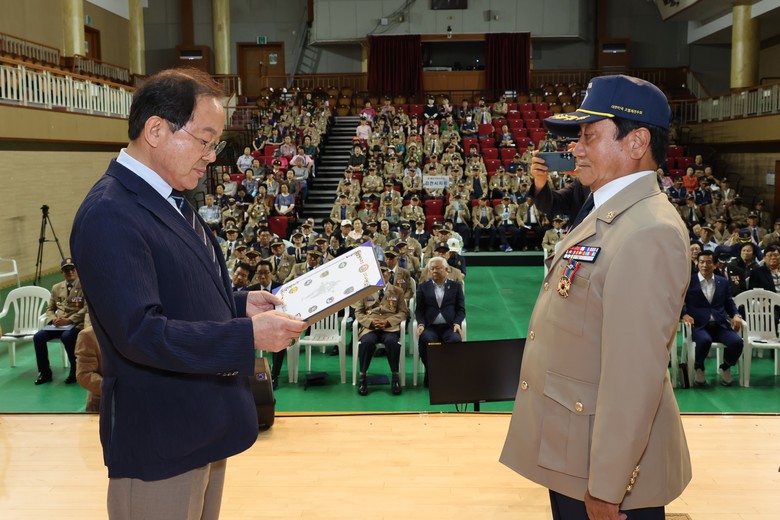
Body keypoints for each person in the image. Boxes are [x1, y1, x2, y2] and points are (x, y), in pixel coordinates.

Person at [70, 68, 307, 519]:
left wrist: (239, 304)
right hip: (161, 437)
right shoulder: (110, 213)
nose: (212, 156)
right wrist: (246, 336)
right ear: (156, 130)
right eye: (205, 140)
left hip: (200, 425)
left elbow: (177, 291)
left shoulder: (168, 198)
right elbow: (140, 332)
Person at [500, 75, 692, 519]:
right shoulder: (609, 212)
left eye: (588, 136)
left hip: (605, 475)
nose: (575, 148)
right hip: (575, 450)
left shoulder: (649, 231)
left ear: (636, 142)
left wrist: (607, 486)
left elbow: (633, 377)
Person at [682, 250, 744, 386]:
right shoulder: (689, 282)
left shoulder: (723, 282)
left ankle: (725, 367)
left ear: (715, 265)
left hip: (720, 324)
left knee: (737, 343)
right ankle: (699, 367)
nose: (705, 265)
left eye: (709, 262)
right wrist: (684, 314)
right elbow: (680, 301)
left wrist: (735, 315)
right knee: (704, 341)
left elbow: (729, 302)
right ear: (697, 264)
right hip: (699, 325)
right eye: (702, 262)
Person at [354, 261, 409, 396]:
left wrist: (388, 322)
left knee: (392, 342)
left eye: (383, 272)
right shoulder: (365, 290)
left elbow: (403, 312)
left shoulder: (397, 291)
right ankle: (363, 377)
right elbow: (358, 312)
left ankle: (395, 376)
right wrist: (370, 323)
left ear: (388, 274)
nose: (380, 275)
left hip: (389, 327)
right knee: (367, 342)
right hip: (370, 327)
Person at [33, 257, 87, 385]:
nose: (70, 272)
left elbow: (86, 308)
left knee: (67, 337)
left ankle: (75, 370)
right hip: (58, 325)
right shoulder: (56, 288)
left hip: (76, 324)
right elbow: (50, 309)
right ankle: (45, 373)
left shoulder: (84, 286)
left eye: (72, 269)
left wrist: (69, 320)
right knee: (38, 337)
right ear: (62, 272)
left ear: (77, 270)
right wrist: (53, 319)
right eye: (66, 270)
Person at [414, 255, 466, 387]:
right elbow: (419, 310)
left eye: (437, 268)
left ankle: (446, 371)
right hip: (430, 327)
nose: (434, 271)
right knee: (426, 339)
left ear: (446, 269)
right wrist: (421, 324)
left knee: (454, 340)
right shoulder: (423, 287)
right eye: (432, 269)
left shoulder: (455, 287)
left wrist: (457, 323)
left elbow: (461, 309)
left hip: (449, 327)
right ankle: (431, 371)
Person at [75, 319, 102, 412]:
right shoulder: (88, 335)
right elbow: (84, 375)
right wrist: (114, 389)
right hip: (103, 403)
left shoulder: (137, 331)